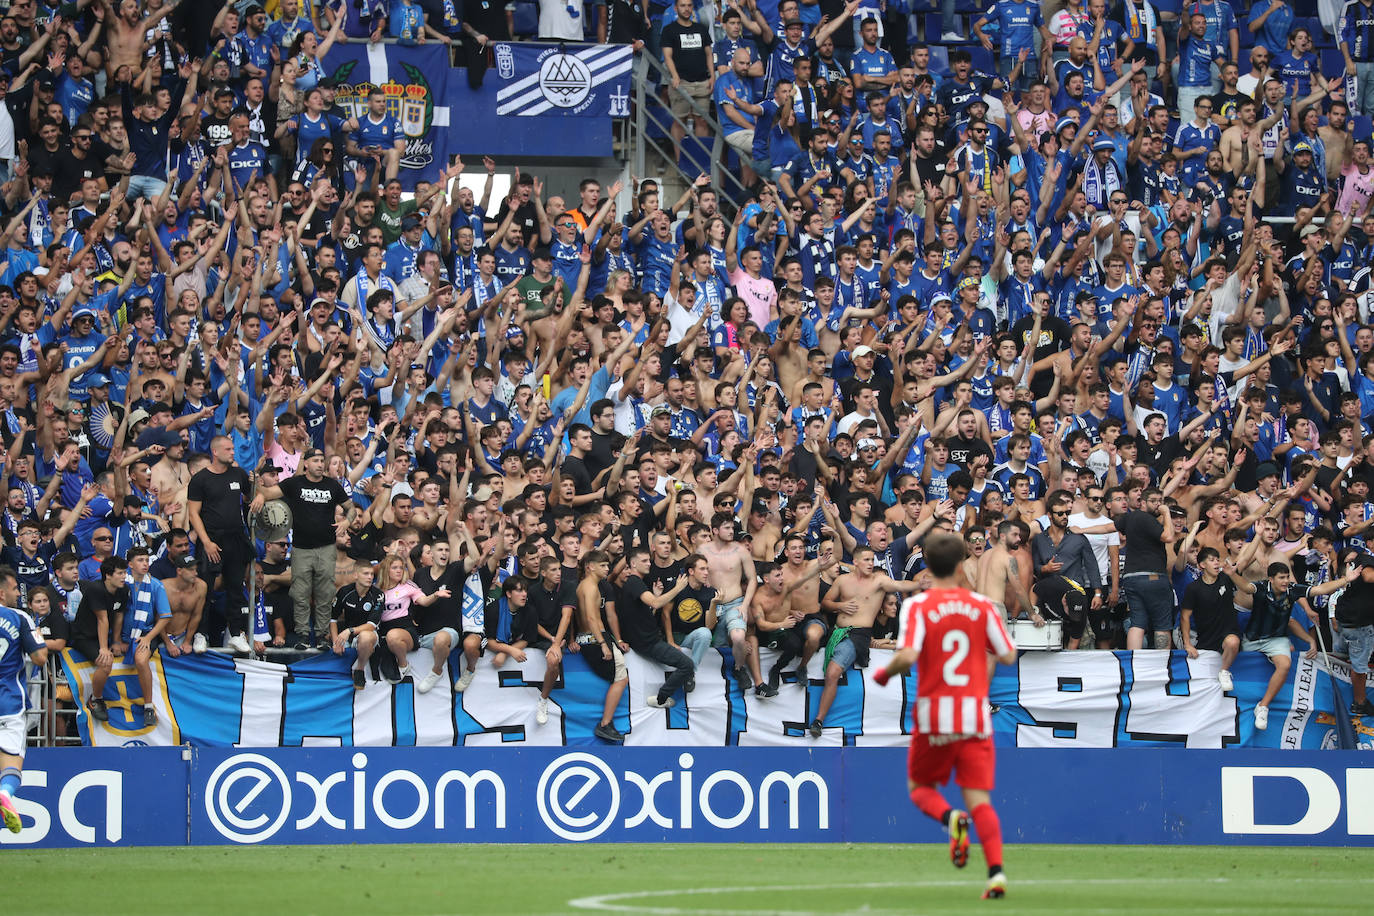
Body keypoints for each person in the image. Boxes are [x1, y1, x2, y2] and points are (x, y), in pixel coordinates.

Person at [872, 533, 1018, 900]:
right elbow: (1008, 656)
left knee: (921, 789)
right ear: (959, 565)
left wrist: (883, 673)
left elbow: (906, 655)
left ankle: (950, 819)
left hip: (935, 715)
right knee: (980, 801)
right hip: (973, 716)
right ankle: (996, 874)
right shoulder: (982, 607)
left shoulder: (918, 606)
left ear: (928, 567)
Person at [812, 545, 921, 737]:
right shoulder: (843, 580)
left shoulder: (879, 581)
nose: (871, 564)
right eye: (867, 560)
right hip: (836, 632)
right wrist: (841, 605)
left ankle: (818, 720)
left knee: (832, 672)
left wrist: (919, 584)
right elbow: (826, 604)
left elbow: (900, 585)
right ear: (855, 562)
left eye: (873, 560)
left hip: (858, 635)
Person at [251, 447, 355, 648]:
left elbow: (350, 508)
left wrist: (346, 522)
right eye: (315, 460)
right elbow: (266, 492)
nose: (319, 464)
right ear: (305, 463)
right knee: (300, 592)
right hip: (301, 547)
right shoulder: (294, 483)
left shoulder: (332, 486)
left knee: (325, 592)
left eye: (321, 460)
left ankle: (323, 635)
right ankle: (303, 636)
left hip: (326, 547)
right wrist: (258, 485)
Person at [186, 436, 254, 653]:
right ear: (215, 452)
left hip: (236, 538)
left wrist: (259, 496)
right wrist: (206, 542)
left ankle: (235, 633)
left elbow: (251, 495)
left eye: (233, 448)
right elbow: (193, 514)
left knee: (236, 587)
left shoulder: (239, 474)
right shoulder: (201, 479)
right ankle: (200, 633)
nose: (233, 452)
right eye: (228, 449)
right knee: (205, 589)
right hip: (211, 539)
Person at [0, 566, 46, 834]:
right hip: (9, 703)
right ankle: (5, 795)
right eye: (15, 588)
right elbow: (40, 657)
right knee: (11, 764)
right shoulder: (19, 617)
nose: (18, 593)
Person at [575, 550, 630, 742]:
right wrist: (603, 644)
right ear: (590, 567)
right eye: (603, 566)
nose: (608, 569)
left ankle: (607, 723)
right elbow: (591, 617)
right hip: (596, 638)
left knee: (620, 677)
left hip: (588, 637)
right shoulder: (590, 587)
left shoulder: (585, 585)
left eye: (608, 565)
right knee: (621, 679)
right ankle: (605, 723)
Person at [330, 562, 385, 689]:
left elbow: (371, 625)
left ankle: (359, 670)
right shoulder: (344, 591)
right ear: (355, 575)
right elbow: (333, 619)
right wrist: (335, 641)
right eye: (366, 574)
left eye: (372, 574)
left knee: (365, 636)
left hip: (370, 634)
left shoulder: (378, 595)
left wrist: (349, 631)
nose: (370, 577)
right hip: (347, 635)